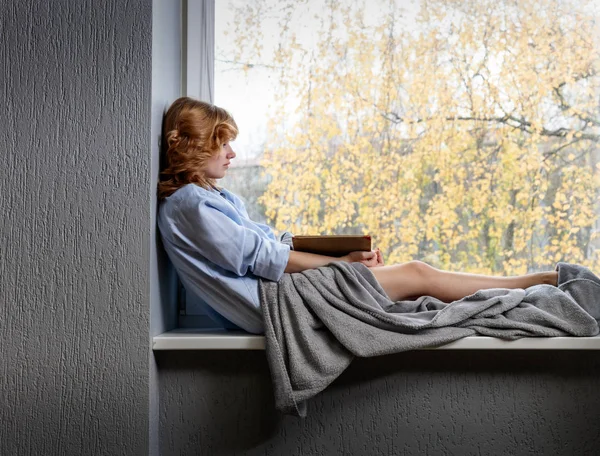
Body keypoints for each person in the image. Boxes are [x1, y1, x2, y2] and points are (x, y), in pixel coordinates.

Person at [157, 97, 559, 334]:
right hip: (274, 304)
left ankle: (524, 287)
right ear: (189, 144)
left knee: (415, 283)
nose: (232, 154)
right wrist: (340, 263)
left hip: (279, 293)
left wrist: (340, 251)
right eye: (221, 143)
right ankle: (533, 283)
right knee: (417, 275)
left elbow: (272, 244)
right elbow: (266, 260)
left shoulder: (211, 197)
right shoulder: (189, 205)